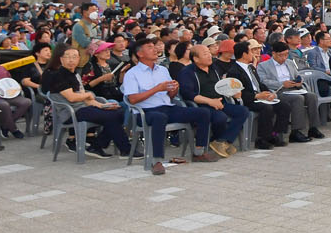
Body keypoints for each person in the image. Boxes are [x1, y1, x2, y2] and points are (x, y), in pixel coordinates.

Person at [122, 39, 216, 175]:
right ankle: (156, 161)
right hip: (145, 111)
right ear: (140, 54)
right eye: (150, 47)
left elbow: (169, 96)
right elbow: (133, 99)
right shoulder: (132, 74)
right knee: (159, 117)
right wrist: (157, 88)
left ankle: (199, 152)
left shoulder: (162, 70)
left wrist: (174, 89)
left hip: (167, 107)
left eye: (155, 47)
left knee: (203, 112)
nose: (155, 49)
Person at [41, 45, 130, 157]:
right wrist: (89, 94)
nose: (71, 60)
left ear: (79, 59)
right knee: (112, 116)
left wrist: (102, 106)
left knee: (118, 112)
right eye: (67, 57)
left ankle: (97, 146)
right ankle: (124, 150)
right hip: (71, 112)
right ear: (61, 59)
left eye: (74, 57)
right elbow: (72, 98)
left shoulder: (74, 75)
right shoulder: (58, 75)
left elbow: (85, 98)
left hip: (82, 107)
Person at [178, 45, 247, 158]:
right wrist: (210, 101)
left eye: (209, 53)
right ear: (196, 58)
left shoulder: (214, 68)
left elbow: (221, 86)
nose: (209, 56)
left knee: (242, 111)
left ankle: (222, 141)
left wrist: (233, 92)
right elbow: (188, 94)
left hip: (220, 101)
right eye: (205, 54)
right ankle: (217, 141)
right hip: (201, 105)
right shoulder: (187, 72)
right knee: (220, 117)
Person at [222, 38, 287, 149]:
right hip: (248, 100)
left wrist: (269, 93)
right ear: (244, 54)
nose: (253, 54)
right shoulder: (234, 71)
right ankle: (262, 139)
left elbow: (259, 84)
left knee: (284, 106)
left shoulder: (251, 67)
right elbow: (238, 93)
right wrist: (257, 96)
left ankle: (274, 134)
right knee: (266, 108)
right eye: (250, 51)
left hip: (259, 96)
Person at [257, 42, 322, 142]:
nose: (284, 58)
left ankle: (313, 127)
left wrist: (299, 81)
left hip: (293, 89)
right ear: (273, 54)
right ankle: (296, 131)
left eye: (286, 54)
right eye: (281, 55)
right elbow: (263, 81)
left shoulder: (290, 63)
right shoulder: (263, 66)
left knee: (312, 96)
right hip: (278, 91)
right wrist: (282, 84)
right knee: (298, 99)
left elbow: (297, 75)